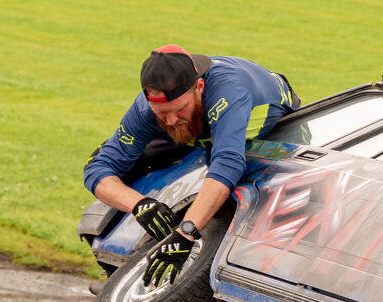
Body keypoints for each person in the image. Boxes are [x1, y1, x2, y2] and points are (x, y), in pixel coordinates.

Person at [84, 45, 298, 286]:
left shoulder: (229, 92)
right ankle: (116, 265)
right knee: (123, 162)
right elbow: (98, 168)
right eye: (161, 113)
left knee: (253, 189)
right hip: (199, 129)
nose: (172, 121)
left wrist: (185, 233)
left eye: (178, 109)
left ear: (199, 87)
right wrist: (139, 205)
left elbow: (228, 163)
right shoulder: (146, 109)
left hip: (273, 127)